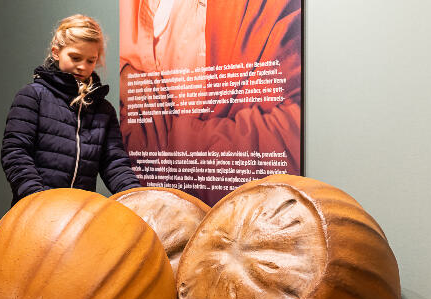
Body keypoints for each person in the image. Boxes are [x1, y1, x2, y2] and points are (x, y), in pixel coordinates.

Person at [120, 0, 302, 205]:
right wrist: (121, 75)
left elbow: (293, 142)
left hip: (228, 212)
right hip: (142, 204)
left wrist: (177, 141)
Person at [2, 15, 140, 206]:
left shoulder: (103, 109)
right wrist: (37, 198)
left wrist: (137, 198)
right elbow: (15, 152)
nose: (83, 66)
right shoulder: (33, 96)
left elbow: (114, 162)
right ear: (56, 52)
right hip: (35, 211)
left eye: (91, 61)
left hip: (79, 215)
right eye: (75, 57)